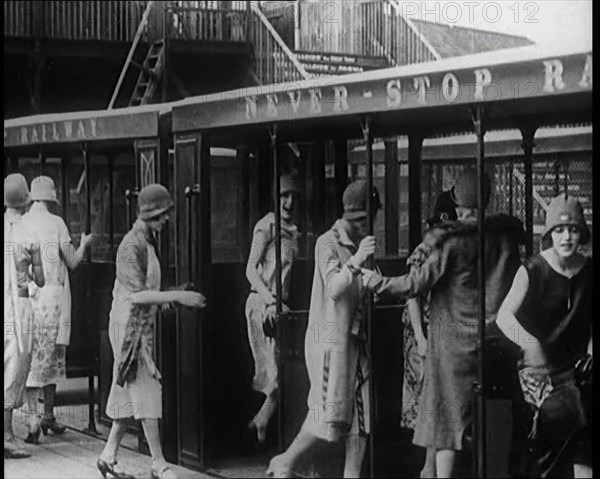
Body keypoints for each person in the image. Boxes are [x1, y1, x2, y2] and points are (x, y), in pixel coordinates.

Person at [361, 169, 524, 478]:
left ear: (457, 202)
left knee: (445, 425)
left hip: (451, 346)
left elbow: (415, 284)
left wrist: (378, 282)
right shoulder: (504, 238)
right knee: (493, 418)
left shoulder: (450, 241)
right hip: (493, 342)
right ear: (486, 201)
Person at [267, 180, 381, 479]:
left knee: (362, 414)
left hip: (357, 341)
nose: (366, 225)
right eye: (363, 220)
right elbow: (333, 287)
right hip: (330, 343)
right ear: (354, 216)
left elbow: (367, 285)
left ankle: (351, 474)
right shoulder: (327, 242)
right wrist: (357, 261)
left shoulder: (361, 243)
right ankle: (286, 461)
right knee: (327, 413)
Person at [97, 184, 206, 479]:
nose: (166, 219)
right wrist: (177, 297)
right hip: (129, 329)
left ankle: (108, 456)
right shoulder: (131, 246)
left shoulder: (148, 241)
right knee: (146, 389)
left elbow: (148, 291)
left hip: (140, 326)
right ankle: (158, 463)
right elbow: (135, 296)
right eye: (162, 214)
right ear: (149, 214)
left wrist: (169, 298)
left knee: (127, 394)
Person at [496, 193, 592, 478]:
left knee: (585, 415)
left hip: (577, 368)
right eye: (559, 230)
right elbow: (504, 316)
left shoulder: (589, 272)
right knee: (558, 419)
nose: (566, 237)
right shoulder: (532, 270)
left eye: (573, 230)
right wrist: (529, 342)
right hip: (540, 371)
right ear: (550, 234)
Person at [23, 176, 93, 444]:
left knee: (31, 360)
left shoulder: (23, 224)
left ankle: (33, 419)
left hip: (30, 299)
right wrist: (84, 242)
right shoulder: (57, 224)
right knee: (52, 360)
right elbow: (73, 262)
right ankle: (49, 414)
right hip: (54, 300)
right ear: (51, 198)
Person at [245, 174, 301, 446]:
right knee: (276, 376)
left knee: (282, 375)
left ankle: (260, 422)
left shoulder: (293, 231)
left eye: (293, 196)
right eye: (283, 196)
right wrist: (269, 300)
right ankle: (260, 422)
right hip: (262, 305)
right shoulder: (265, 227)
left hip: (280, 309)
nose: (289, 202)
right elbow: (250, 269)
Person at [401, 216, 452, 479]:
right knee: (428, 399)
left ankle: (432, 466)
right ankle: (428, 466)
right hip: (422, 332)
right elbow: (412, 295)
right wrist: (421, 339)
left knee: (440, 399)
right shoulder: (422, 252)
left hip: (444, 332)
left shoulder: (452, 249)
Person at [4, 174, 45, 458]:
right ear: (26, 200)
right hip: (19, 307)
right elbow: (40, 279)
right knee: (15, 369)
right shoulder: (30, 234)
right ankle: (6, 435)